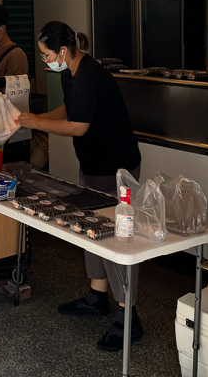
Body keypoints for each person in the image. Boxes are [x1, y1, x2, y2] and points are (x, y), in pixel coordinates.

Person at [16, 21, 143, 352]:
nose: (45, 61)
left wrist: (36, 123)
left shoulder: (89, 74)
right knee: (93, 229)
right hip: (94, 164)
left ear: (62, 50)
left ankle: (128, 317)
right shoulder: (70, 72)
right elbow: (70, 110)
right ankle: (97, 297)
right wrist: (36, 117)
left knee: (117, 240)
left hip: (115, 167)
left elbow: (78, 126)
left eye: (46, 55)